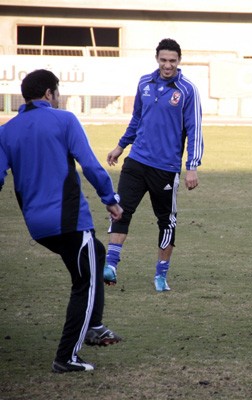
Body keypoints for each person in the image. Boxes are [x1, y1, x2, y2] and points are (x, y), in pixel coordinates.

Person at [0, 69, 124, 373]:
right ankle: (66, 356)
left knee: (94, 253)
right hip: (68, 220)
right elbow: (91, 166)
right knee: (86, 282)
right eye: (58, 92)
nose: (59, 97)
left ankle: (93, 326)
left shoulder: (6, 131)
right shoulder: (64, 119)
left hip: (38, 226)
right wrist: (110, 200)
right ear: (48, 94)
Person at [103, 38, 203, 292]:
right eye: (163, 60)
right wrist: (121, 146)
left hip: (166, 168)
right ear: (156, 59)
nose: (167, 65)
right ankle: (111, 265)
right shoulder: (144, 83)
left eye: (172, 61)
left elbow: (195, 130)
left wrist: (192, 166)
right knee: (120, 209)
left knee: (166, 221)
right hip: (136, 161)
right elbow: (137, 118)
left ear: (179, 61)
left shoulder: (187, 90)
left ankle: (161, 275)